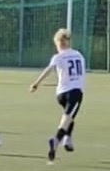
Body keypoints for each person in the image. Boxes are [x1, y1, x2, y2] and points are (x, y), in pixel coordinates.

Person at [29, 28, 86, 163]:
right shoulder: (78, 55)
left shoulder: (58, 57)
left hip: (61, 94)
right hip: (75, 92)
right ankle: (56, 140)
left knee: (69, 116)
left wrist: (36, 84)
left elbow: (48, 70)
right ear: (68, 42)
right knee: (67, 118)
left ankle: (67, 139)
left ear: (58, 43)